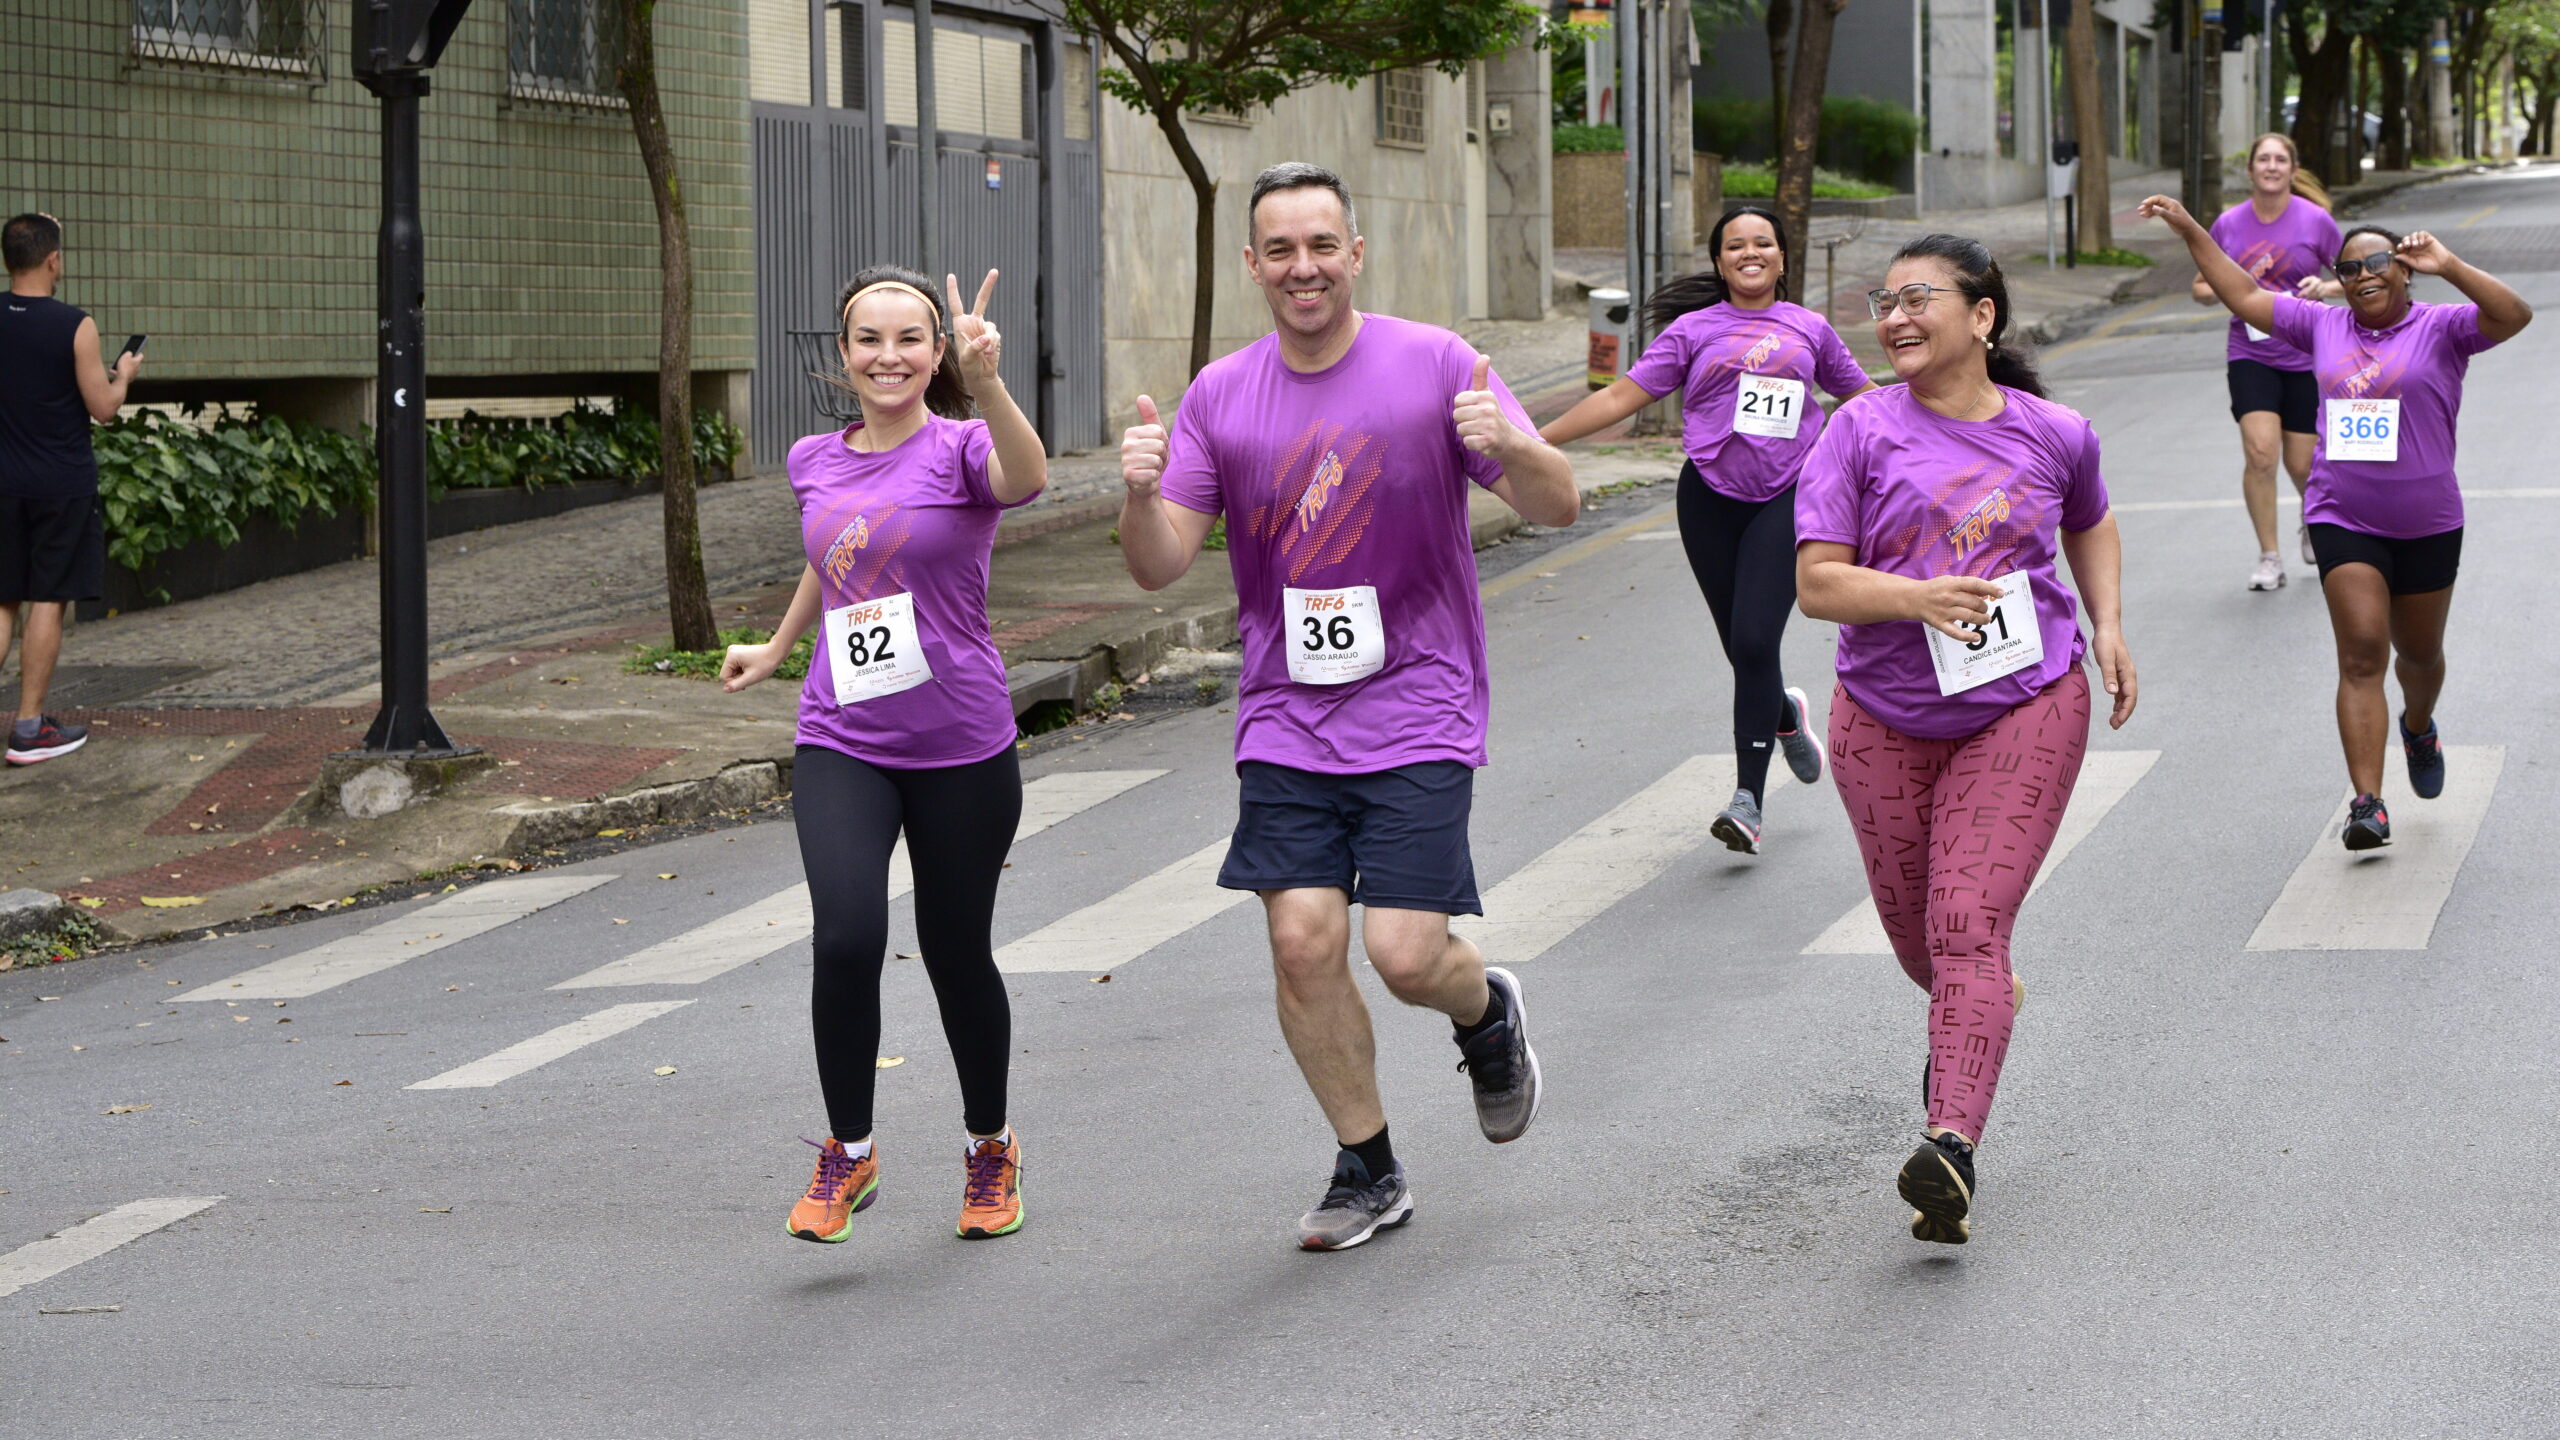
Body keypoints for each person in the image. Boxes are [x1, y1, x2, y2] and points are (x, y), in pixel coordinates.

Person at [1115, 162, 1579, 1251]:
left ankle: (1485, 1012)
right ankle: (1366, 1166)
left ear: (1354, 253)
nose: (1302, 267)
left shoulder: (1436, 365)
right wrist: (1139, 494)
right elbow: (1158, 564)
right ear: (1252, 266)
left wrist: (1514, 443)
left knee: (1408, 954)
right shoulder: (1221, 396)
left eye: (1320, 244)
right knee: (1302, 941)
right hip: (1287, 709)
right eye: (1279, 249)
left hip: (1419, 695)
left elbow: (1557, 505)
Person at [1795, 234, 2137, 1246]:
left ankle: (1949, 1146)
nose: (1894, 317)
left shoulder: (2055, 430)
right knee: (1924, 948)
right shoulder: (1855, 431)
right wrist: (1915, 599)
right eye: (1881, 301)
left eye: (1917, 298)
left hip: (2022, 704)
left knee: (1962, 928)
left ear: (1981, 316)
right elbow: (1817, 584)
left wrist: (2107, 622)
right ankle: (1984, 999)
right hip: (1882, 715)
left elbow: (2093, 522)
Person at [719, 265, 1045, 1244]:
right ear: (844, 353)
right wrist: (778, 648)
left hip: (960, 745)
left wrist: (990, 381)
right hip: (843, 738)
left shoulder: (965, 448)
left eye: (911, 338)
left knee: (954, 955)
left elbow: (1027, 479)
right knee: (846, 937)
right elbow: (837, 560)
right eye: (870, 338)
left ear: (937, 353)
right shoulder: (813, 458)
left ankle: (990, 1148)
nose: (889, 356)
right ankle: (848, 1156)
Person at [2148, 195, 2531, 849]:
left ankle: (2418, 724)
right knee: (2360, 654)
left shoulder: (2442, 327)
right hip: (2342, 513)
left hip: (2429, 521)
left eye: (2378, 262)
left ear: (2405, 270)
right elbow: (2241, 294)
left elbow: (2513, 315)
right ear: (2340, 280)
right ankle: (2367, 804)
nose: (2364, 276)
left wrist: (2451, 263)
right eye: (2350, 269)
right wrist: (2190, 229)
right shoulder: (2322, 326)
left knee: (2419, 656)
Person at [1539, 205, 1875, 853]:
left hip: (1788, 498)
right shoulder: (1694, 331)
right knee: (1741, 648)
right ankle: (1784, 716)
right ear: (1720, 262)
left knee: (1754, 642)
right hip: (1709, 501)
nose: (1750, 253)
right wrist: (1531, 440)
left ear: (1782, 257)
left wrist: (1925, 440)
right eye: (1735, 245)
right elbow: (1619, 397)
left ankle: (1747, 800)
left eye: (1763, 243)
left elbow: (1863, 402)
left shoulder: (1810, 329)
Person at [2, 212, 140, 764]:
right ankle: (29, 728)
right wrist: (124, 372)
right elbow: (104, 409)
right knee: (47, 599)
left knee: (3, 597)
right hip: (59, 483)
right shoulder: (74, 325)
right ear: (53, 259)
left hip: (2, 481)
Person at [2195, 134, 2342, 591]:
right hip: (2250, 353)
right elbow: (2201, 288)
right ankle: (2269, 557)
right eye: (2264, 159)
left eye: (2281, 159)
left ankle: (2312, 519)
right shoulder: (2229, 224)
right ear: (2251, 170)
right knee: (2260, 453)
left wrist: (2326, 289)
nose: (2272, 166)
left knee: (2302, 465)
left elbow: (2354, 277)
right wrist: (2234, 290)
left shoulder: (2316, 221)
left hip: (2304, 353)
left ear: (2293, 170)